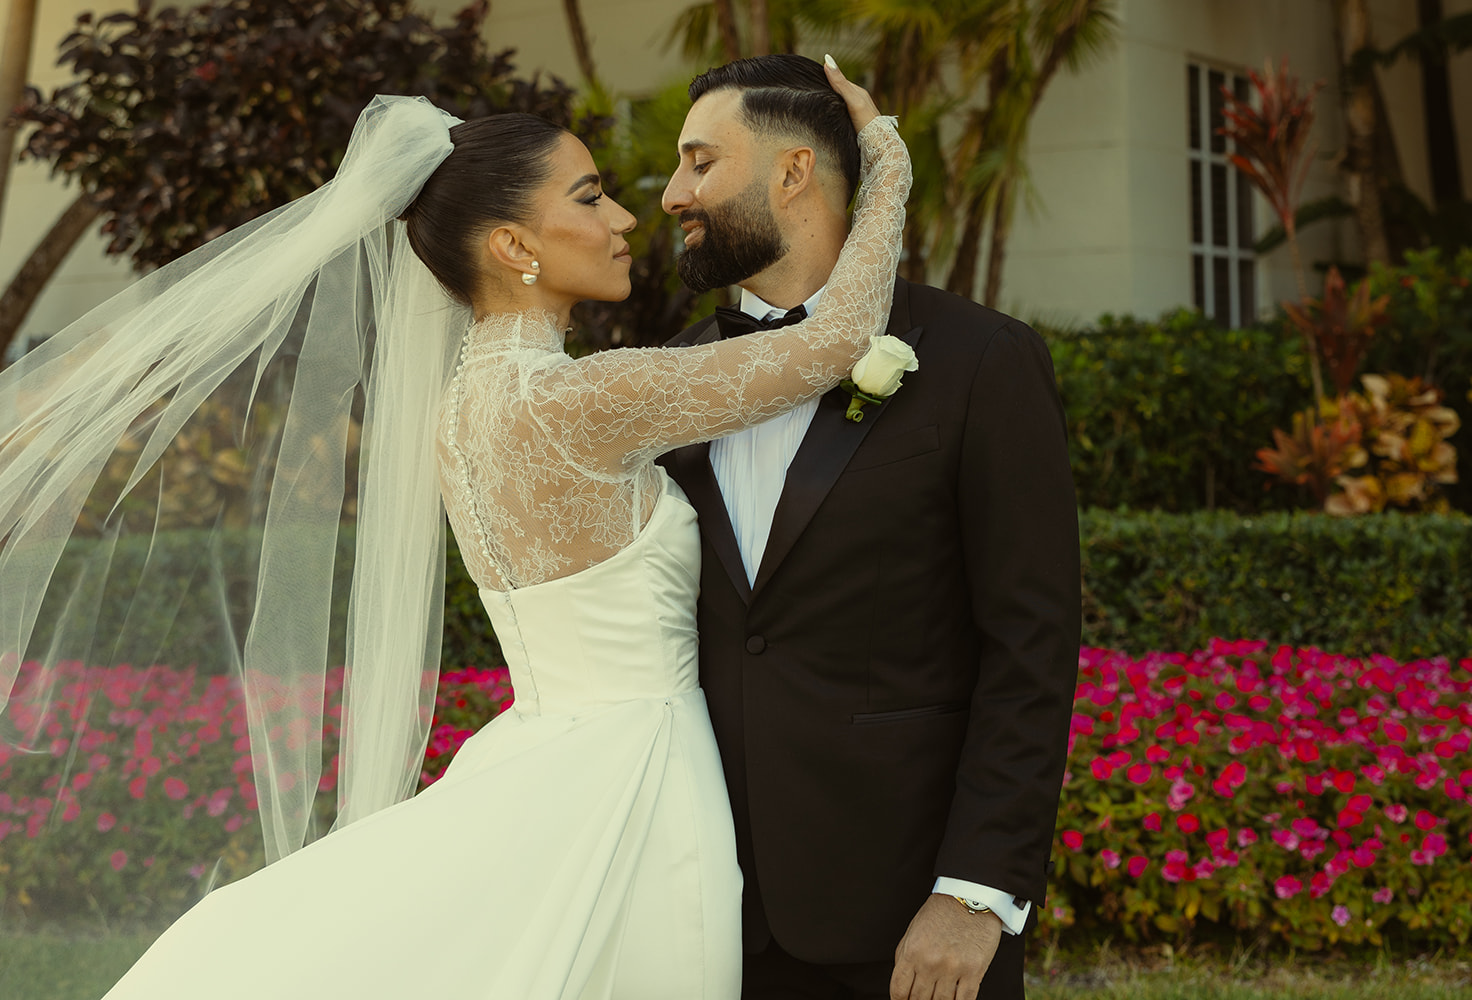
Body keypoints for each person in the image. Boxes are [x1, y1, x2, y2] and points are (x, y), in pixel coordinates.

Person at [0, 63, 907, 998]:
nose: (625, 218)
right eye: (590, 197)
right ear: (516, 243)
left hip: (539, 752)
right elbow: (835, 345)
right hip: (632, 779)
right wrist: (884, 160)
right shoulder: (582, 399)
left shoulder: (462, 405)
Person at [657, 55, 1081, 1000]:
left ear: (794, 171)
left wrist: (974, 895)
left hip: (911, 920)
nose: (671, 194)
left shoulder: (981, 362)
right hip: (708, 915)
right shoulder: (669, 381)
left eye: (699, 163)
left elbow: (1031, 646)